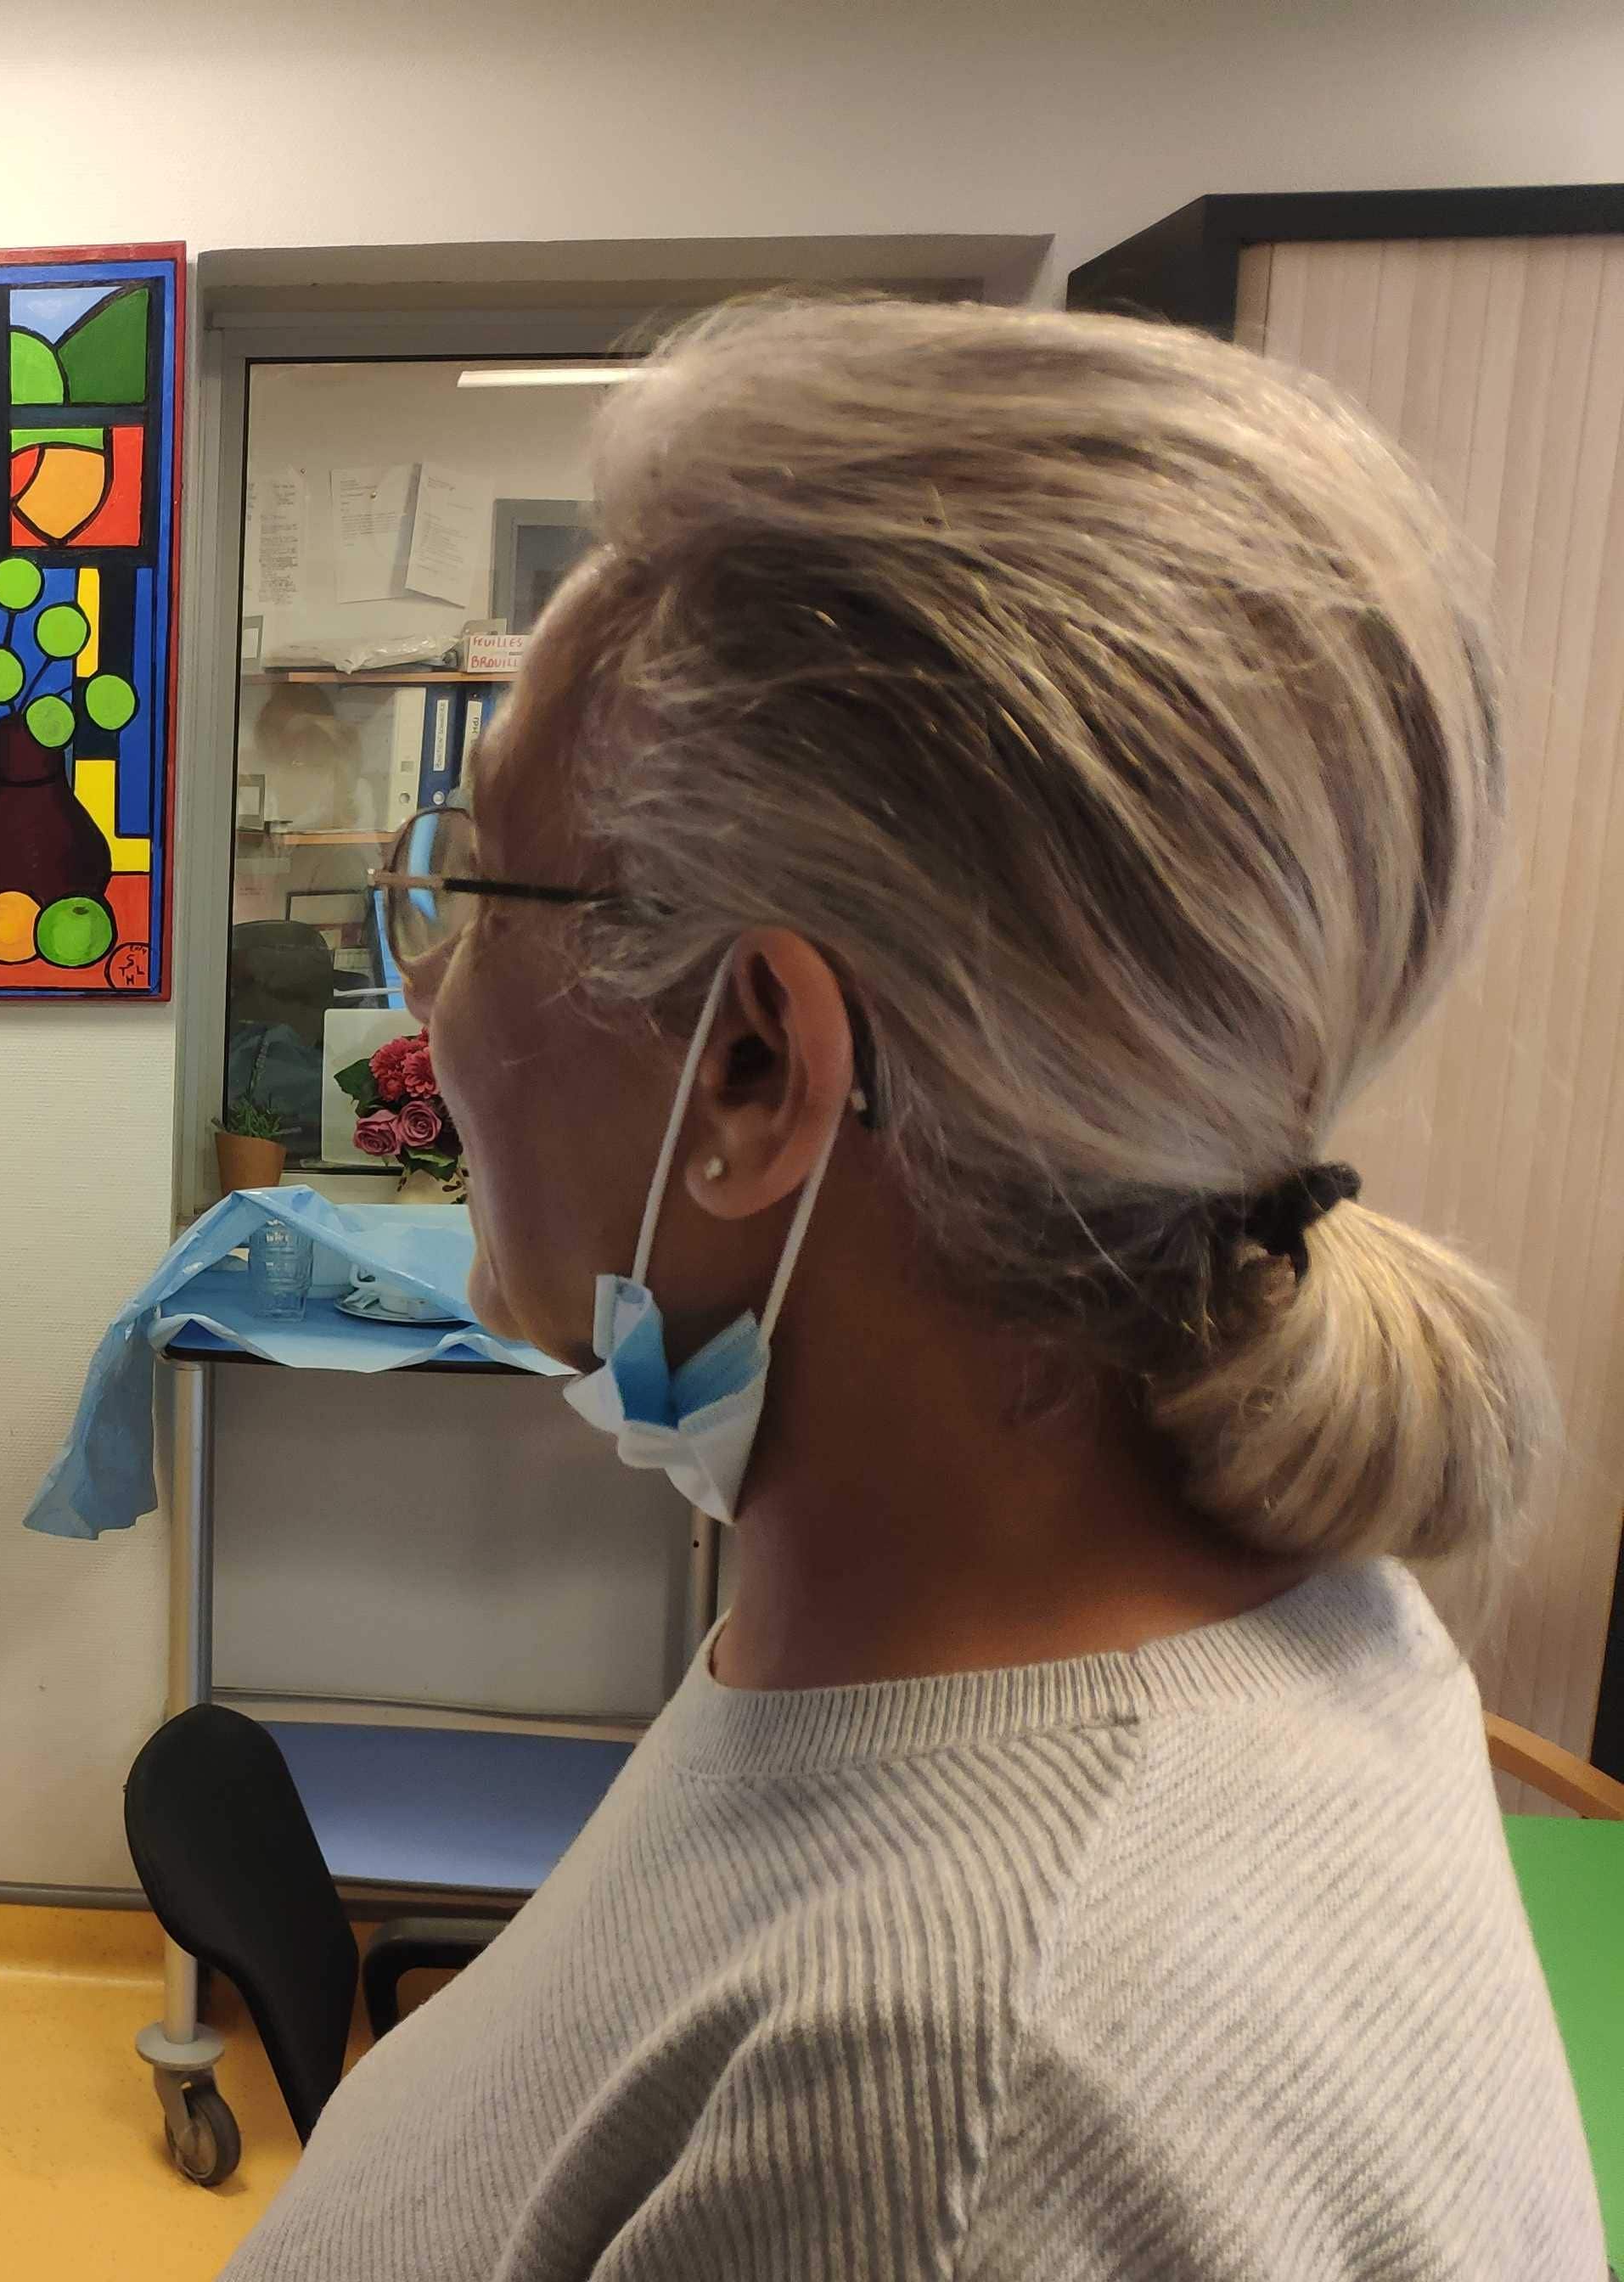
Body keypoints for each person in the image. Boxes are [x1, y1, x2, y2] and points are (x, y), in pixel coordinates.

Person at [226, 298, 1596, 2279]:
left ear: (759, 1066)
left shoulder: (972, 2110)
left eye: (469, 886)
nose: (428, 990)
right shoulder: (992, 1624)